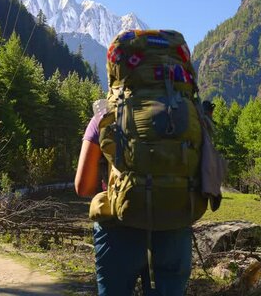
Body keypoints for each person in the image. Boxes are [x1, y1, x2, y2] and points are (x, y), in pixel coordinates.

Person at [75, 114, 193, 296]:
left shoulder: (105, 116)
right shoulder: (187, 112)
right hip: (172, 228)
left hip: (117, 229)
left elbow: (83, 186)